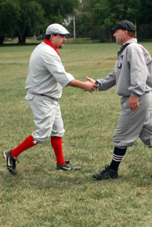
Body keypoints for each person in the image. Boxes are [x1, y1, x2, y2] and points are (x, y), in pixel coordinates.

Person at [3, 23, 97, 175]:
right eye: (61, 36)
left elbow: (62, 74)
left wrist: (83, 84)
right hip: (42, 98)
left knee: (57, 131)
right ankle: (12, 154)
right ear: (52, 36)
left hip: (49, 97)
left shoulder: (46, 49)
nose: (64, 39)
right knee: (42, 134)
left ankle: (61, 163)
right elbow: (62, 78)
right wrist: (84, 86)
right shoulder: (46, 52)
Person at [91, 20, 152, 180]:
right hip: (139, 96)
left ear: (125, 32)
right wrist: (98, 84)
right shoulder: (126, 51)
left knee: (121, 135)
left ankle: (112, 170)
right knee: (149, 132)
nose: (114, 34)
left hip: (136, 97)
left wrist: (136, 94)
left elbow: (139, 72)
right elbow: (116, 75)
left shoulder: (133, 48)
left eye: (116, 31)